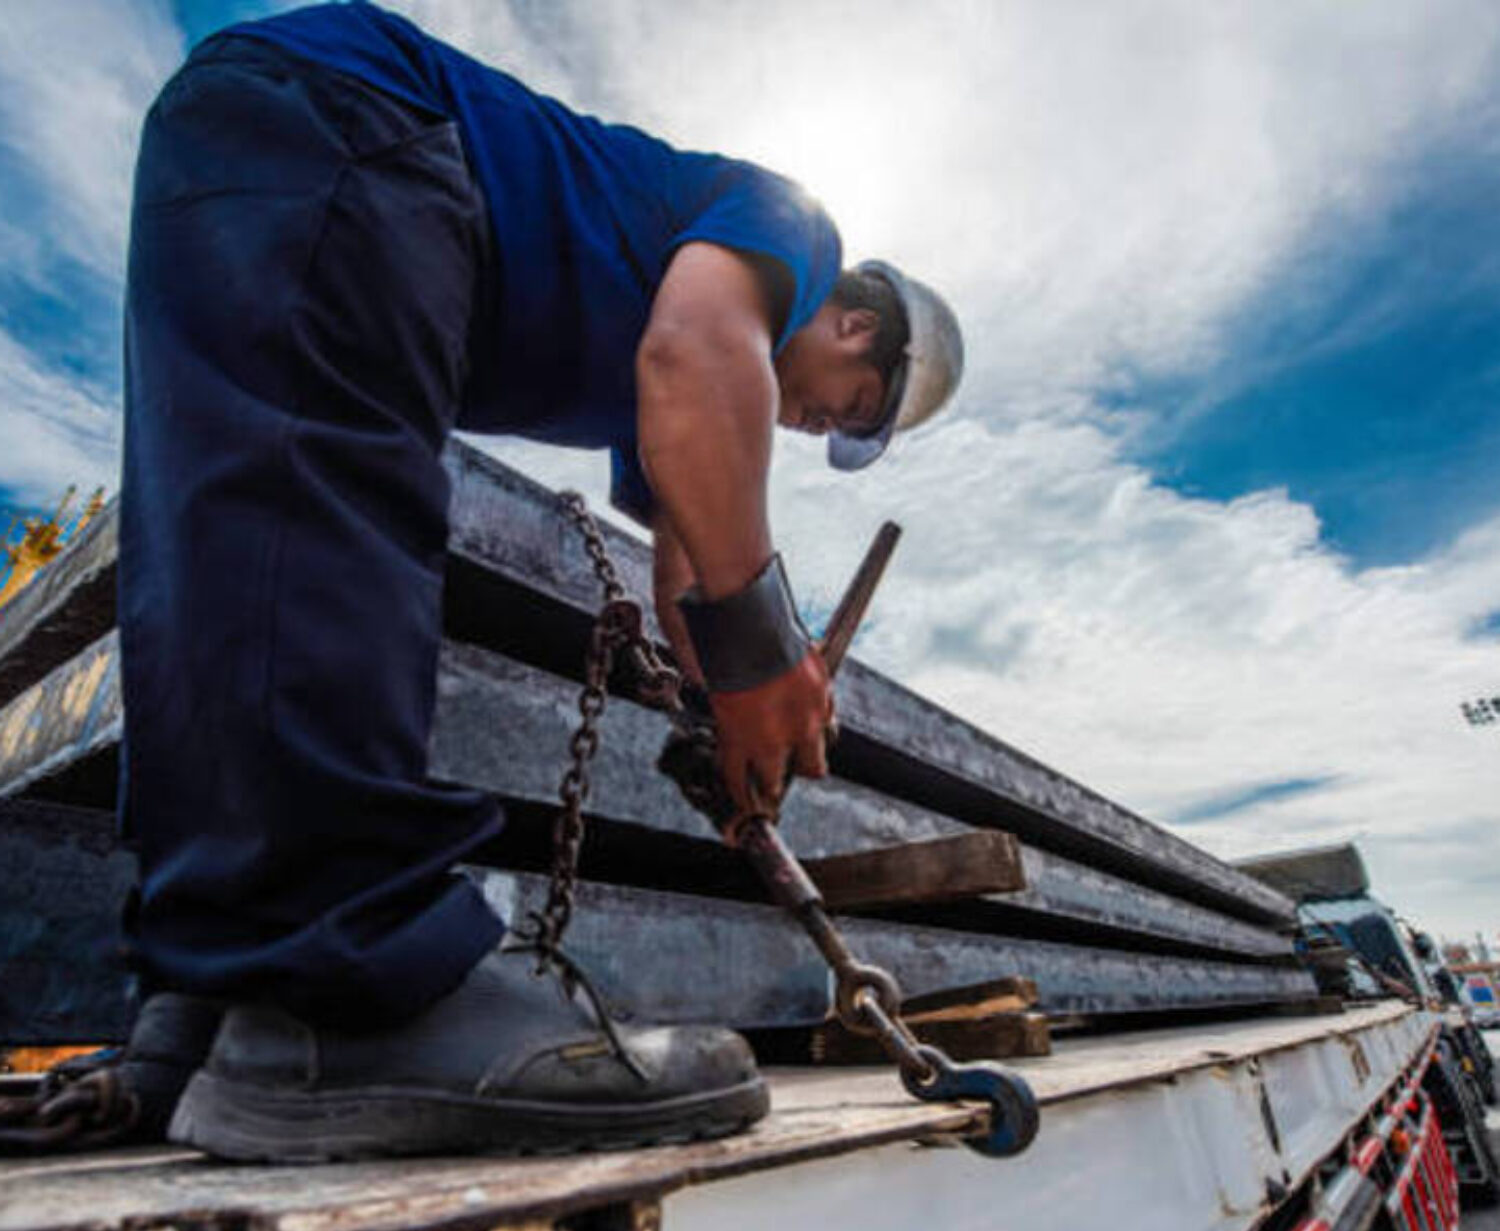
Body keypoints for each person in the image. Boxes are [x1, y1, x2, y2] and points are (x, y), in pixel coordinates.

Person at [120, 0, 964, 1162]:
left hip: (261, 120)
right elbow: (699, 359)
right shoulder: (790, 226)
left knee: (244, 522)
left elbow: (684, 550)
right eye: (850, 405)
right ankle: (348, 994)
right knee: (326, 531)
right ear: (857, 323)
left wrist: (724, 715)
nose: (823, 424)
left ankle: (209, 1002)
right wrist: (772, 658)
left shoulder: (659, 367)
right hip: (360, 120)